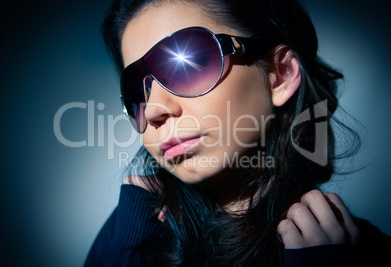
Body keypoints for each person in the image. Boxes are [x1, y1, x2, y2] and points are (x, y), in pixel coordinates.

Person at [85, 0, 391, 266]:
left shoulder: (359, 251)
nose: (153, 110)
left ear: (280, 75)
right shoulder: (129, 233)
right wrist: (125, 250)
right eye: (138, 90)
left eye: (186, 64)